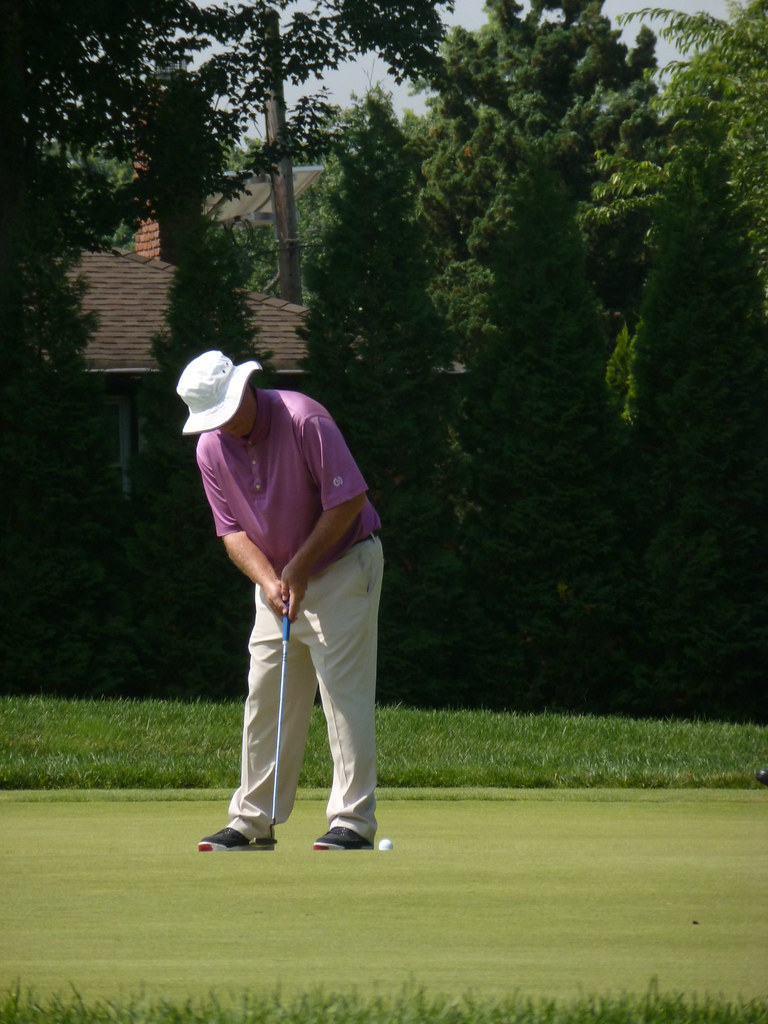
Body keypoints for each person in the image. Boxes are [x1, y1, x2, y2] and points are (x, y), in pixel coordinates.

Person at [176, 350, 383, 851]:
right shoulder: (210, 449)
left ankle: (352, 821)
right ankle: (253, 820)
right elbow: (231, 532)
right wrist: (271, 581)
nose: (222, 426)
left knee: (341, 695)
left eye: (226, 412)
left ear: (246, 389)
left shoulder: (303, 418)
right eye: (213, 419)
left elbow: (348, 499)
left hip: (342, 565)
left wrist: (300, 567)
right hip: (276, 580)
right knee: (266, 695)